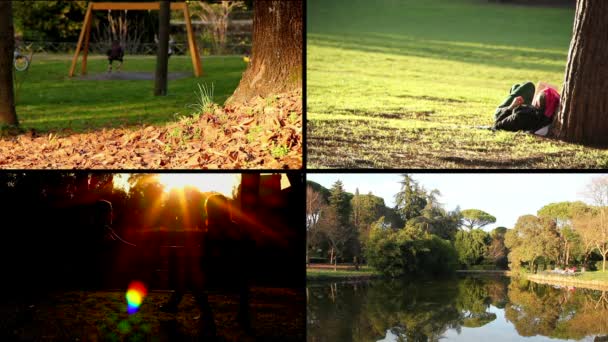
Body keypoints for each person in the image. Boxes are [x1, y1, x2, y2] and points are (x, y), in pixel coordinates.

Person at [492, 81, 560, 133]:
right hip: (532, 111)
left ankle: (514, 89)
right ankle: (514, 89)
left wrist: (512, 106)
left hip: (502, 112)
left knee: (528, 85)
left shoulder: (522, 116)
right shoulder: (549, 118)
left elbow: (497, 125)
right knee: (519, 87)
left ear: (537, 103)